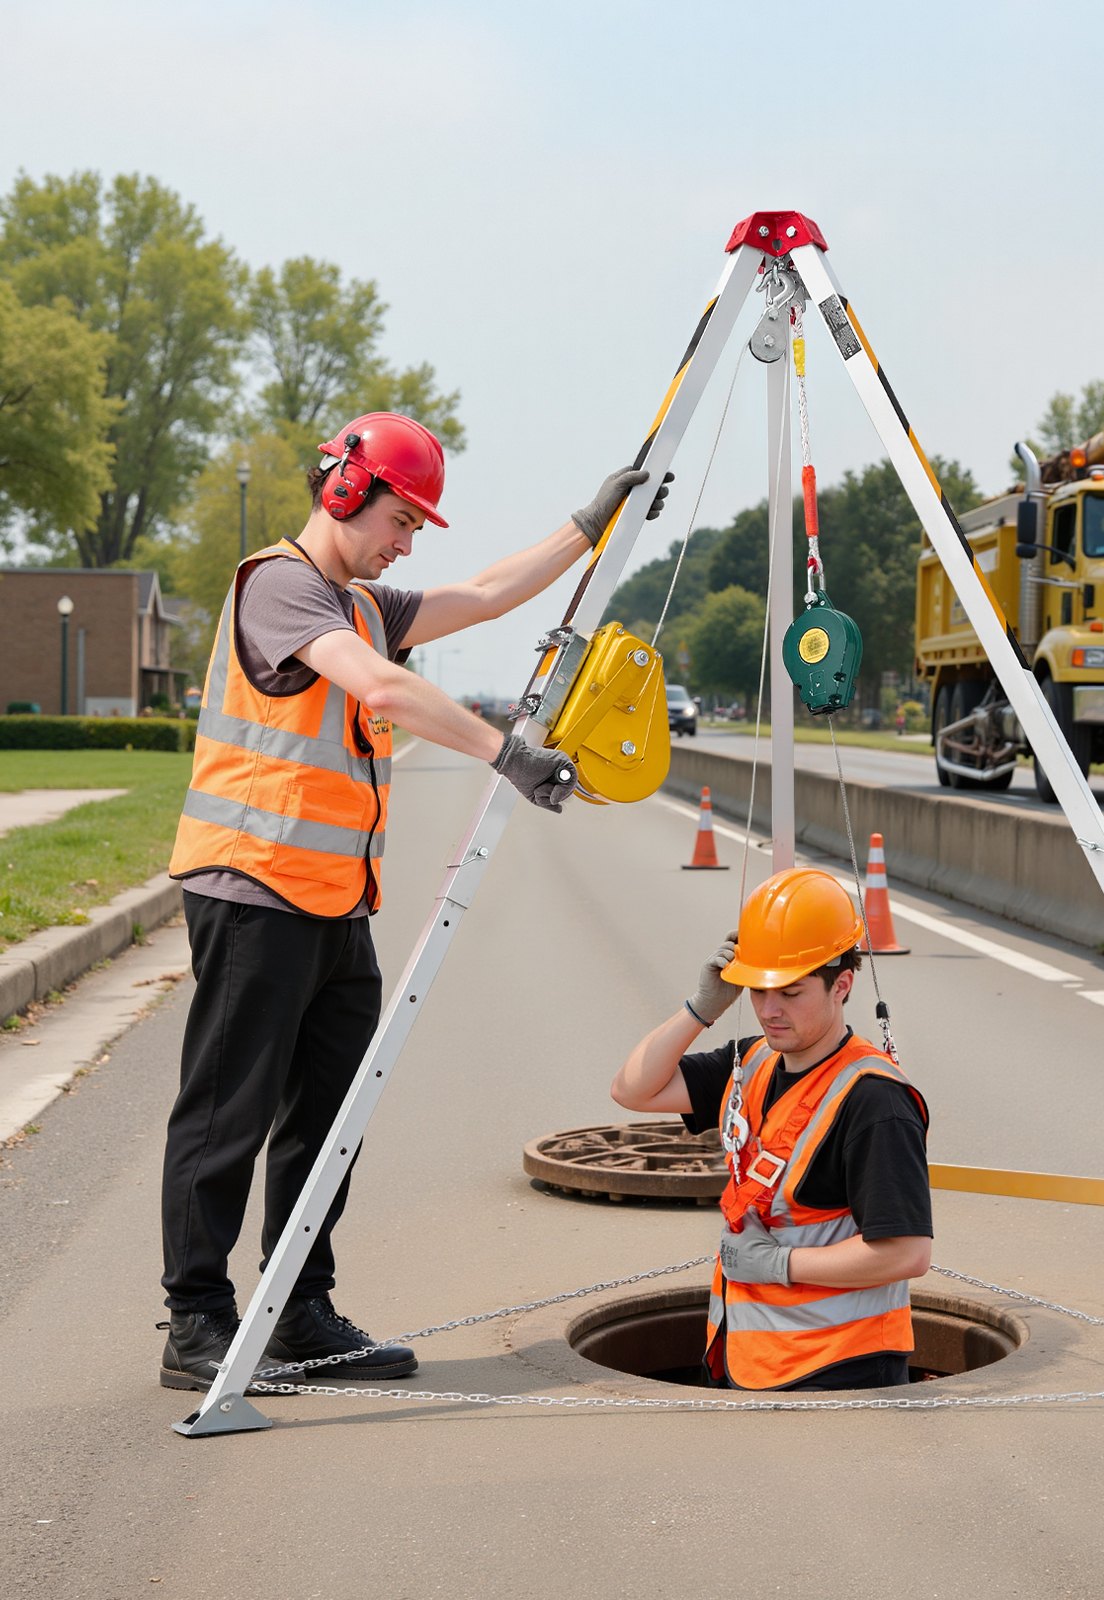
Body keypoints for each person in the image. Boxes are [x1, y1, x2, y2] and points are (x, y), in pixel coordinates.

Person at [159, 412, 669, 1392]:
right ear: (345, 491)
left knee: (328, 1121)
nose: (406, 543)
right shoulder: (279, 586)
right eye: (401, 520)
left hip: (333, 905)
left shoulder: (359, 604)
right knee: (227, 1115)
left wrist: (587, 526)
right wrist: (505, 751)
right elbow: (383, 692)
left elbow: (482, 595)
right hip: (252, 889)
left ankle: (298, 1310)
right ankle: (197, 1320)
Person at [613, 868, 932, 1391]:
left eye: (790, 992)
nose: (769, 1010)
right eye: (757, 990)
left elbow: (907, 1253)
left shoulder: (875, 1101)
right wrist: (702, 1008)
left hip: (838, 1369)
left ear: (841, 985)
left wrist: (780, 1264)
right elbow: (633, 1089)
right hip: (750, 1354)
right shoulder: (754, 1061)